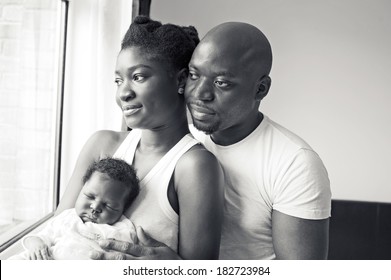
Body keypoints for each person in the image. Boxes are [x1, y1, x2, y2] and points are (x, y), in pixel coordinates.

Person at [92, 21, 332, 260]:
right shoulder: (177, 141)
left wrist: (180, 270)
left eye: (221, 83)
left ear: (261, 89)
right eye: (195, 76)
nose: (200, 94)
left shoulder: (294, 163)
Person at [55, 16, 224, 260]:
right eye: (118, 80)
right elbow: (56, 231)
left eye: (138, 77)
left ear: (180, 80)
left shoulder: (194, 167)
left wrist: (173, 268)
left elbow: (202, 270)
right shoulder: (103, 145)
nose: (123, 92)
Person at [9, 157, 140, 260]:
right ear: (81, 189)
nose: (95, 208)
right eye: (90, 196)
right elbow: (41, 237)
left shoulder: (122, 229)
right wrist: (36, 245)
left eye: (109, 205)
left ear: (124, 208)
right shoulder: (68, 217)